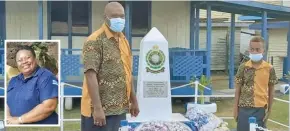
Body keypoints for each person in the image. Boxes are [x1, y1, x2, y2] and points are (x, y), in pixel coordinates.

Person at [81, 2, 139, 131]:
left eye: (122, 16)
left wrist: (133, 100)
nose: (119, 20)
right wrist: (97, 108)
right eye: (114, 16)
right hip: (99, 111)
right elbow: (90, 75)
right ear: (105, 17)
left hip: (119, 109)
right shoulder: (94, 41)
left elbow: (128, 73)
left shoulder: (124, 40)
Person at [233, 36, 278, 131]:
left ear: (263, 51)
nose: (254, 52)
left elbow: (271, 90)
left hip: (260, 108)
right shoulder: (243, 67)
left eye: (257, 49)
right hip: (244, 108)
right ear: (249, 49)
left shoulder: (269, 68)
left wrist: (269, 110)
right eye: (252, 49)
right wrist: (235, 110)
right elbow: (238, 89)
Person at [6, 45, 59, 124]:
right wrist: (8, 117)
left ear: (35, 59)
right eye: (20, 60)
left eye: (27, 58)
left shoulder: (46, 77)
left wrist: (19, 120)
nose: (24, 62)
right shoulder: (13, 80)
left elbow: (49, 106)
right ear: (17, 64)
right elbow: (7, 102)